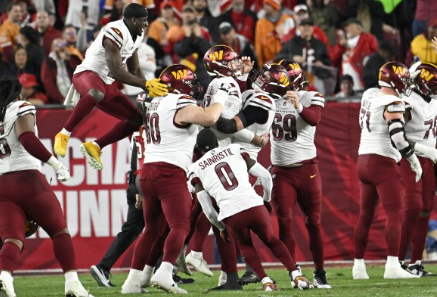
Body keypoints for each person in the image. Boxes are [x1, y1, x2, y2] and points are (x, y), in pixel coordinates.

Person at [121, 64, 228, 294]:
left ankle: (132, 282)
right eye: (190, 81)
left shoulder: (155, 102)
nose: (193, 86)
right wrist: (221, 95)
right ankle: (165, 272)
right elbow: (210, 118)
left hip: (147, 172)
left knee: (151, 230)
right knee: (180, 225)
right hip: (169, 171)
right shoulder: (179, 102)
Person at [188, 128, 313, 291]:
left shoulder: (195, 168)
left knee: (245, 245)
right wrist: (266, 200)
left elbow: (208, 210)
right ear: (217, 142)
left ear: (198, 147)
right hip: (253, 204)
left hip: (230, 213)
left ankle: (266, 281)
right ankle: (296, 275)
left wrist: (221, 228)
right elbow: (266, 177)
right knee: (272, 240)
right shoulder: (234, 149)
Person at [0, 76, 92, 297]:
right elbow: (27, 138)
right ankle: (72, 283)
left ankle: (4, 276)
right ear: (18, 93)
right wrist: (55, 163)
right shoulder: (21, 106)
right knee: (59, 231)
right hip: (28, 179)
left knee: (13, 239)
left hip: (2, 184)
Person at [53, 3, 168, 171]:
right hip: (86, 74)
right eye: (144, 20)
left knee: (137, 120)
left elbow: (134, 68)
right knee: (96, 93)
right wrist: (145, 83)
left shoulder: (137, 33)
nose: (146, 24)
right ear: (133, 20)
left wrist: (149, 88)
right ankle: (64, 134)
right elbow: (115, 71)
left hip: (104, 83)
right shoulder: (115, 31)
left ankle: (96, 146)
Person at [352, 61, 422, 280]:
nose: (407, 82)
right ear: (396, 79)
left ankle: (358, 267)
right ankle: (392, 265)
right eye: (405, 78)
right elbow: (398, 137)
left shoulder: (369, 95)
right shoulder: (393, 101)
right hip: (381, 161)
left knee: (365, 216)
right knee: (395, 213)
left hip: (363, 159)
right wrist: (413, 159)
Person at [266, 60, 331, 289]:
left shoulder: (310, 96)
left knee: (313, 222)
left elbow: (315, 119)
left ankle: (320, 272)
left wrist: (298, 106)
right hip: (281, 171)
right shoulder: (269, 98)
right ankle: (294, 272)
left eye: (277, 77)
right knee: (284, 220)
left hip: (307, 170)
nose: (272, 81)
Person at [398, 62, 437, 276]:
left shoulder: (432, 97)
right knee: (413, 207)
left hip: (431, 160)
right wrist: (424, 150)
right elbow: (396, 137)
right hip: (411, 158)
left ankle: (415, 263)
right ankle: (396, 262)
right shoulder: (407, 101)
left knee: (426, 209)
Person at [331, 18, 378, 91]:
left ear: (358, 28)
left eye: (349, 26)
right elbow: (332, 58)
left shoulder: (368, 38)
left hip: (361, 84)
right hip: (345, 87)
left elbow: (375, 54)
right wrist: (340, 46)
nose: (346, 29)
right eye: (345, 27)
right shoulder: (343, 44)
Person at [41, 38, 81, 104]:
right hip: (57, 102)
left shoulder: (68, 61)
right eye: (58, 46)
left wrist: (68, 60)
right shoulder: (48, 62)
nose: (61, 48)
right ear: (53, 48)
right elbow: (48, 84)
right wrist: (61, 99)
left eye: (63, 45)